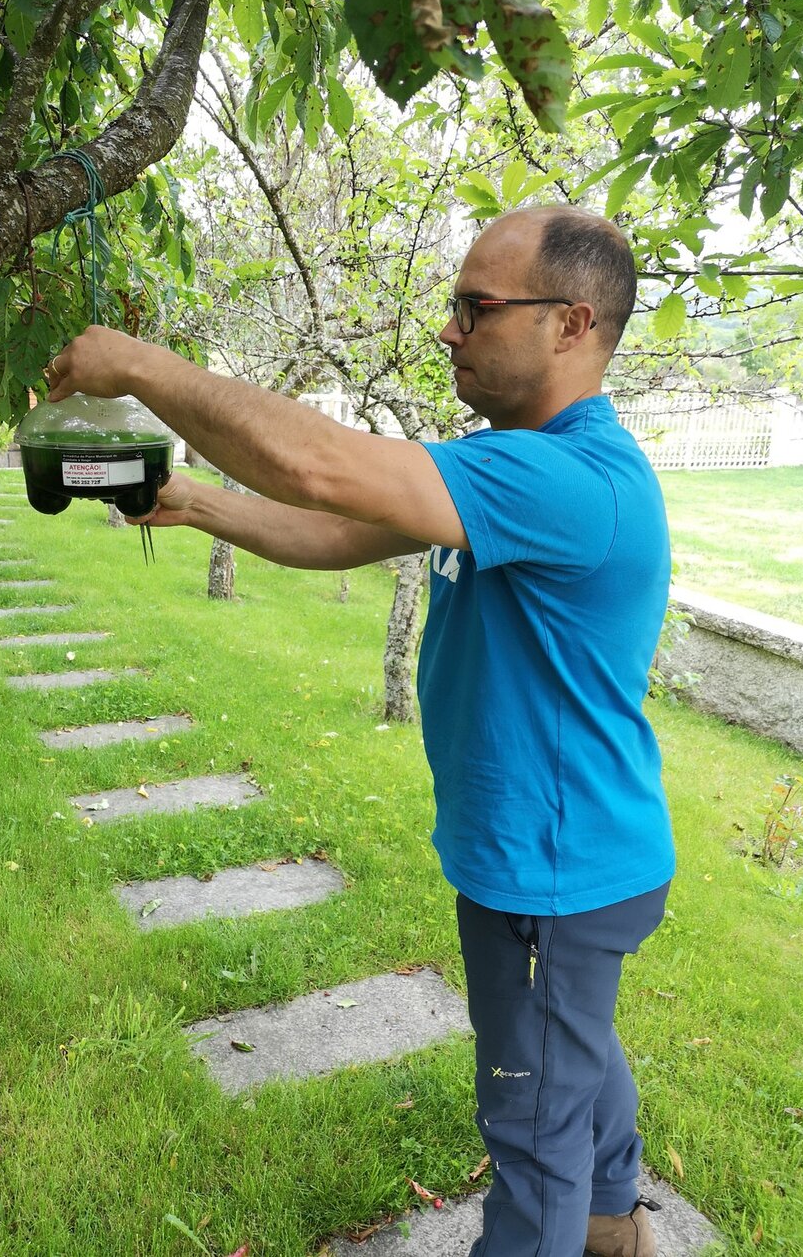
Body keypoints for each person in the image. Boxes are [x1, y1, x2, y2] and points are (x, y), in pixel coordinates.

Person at [46, 204, 676, 1257]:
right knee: (567, 1052)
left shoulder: (570, 477)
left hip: (564, 863)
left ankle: (574, 1223)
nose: (447, 330)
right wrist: (199, 505)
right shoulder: (510, 466)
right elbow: (337, 526)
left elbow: (326, 470)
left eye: (475, 307)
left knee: (529, 1120)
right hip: (526, 847)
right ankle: (617, 1225)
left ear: (570, 325)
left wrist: (144, 367)